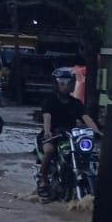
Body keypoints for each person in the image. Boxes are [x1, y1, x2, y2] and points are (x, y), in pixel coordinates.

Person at [37, 67, 101, 198]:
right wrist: (48, 132)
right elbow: (47, 117)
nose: (66, 86)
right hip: (54, 135)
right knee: (49, 151)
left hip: (71, 137)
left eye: (69, 83)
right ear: (56, 84)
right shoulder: (49, 101)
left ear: (73, 84)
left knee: (90, 154)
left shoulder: (76, 103)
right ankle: (43, 179)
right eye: (62, 83)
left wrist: (96, 131)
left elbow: (86, 118)